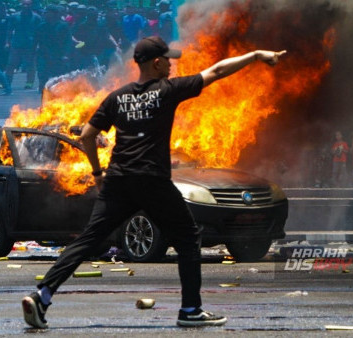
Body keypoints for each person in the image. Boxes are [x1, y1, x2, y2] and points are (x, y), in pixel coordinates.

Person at [21, 35, 286, 329]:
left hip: (119, 180)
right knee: (187, 237)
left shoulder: (116, 97)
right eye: (168, 60)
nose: (172, 65)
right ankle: (190, 310)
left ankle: (42, 294)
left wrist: (98, 175)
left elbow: (85, 136)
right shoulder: (167, 91)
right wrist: (256, 54)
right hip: (152, 180)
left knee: (88, 240)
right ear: (156, 63)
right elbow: (217, 71)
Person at [5, 0, 42, 89]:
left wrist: (39, 44)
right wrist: (7, 42)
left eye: (28, 5)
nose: (26, 6)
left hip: (30, 45)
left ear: (31, 5)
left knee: (30, 64)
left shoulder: (36, 17)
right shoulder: (14, 16)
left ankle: (29, 82)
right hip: (17, 44)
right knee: (11, 64)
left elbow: (40, 32)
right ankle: (7, 82)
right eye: (24, 4)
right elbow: (9, 30)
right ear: (21, 5)